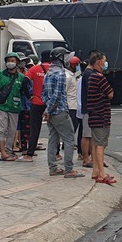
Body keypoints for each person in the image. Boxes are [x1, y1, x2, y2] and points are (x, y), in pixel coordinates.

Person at [42, 47, 84, 178]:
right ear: (61, 58)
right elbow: (57, 94)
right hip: (60, 111)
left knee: (53, 139)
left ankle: (53, 168)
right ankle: (69, 169)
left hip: (51, 112)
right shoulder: (60, 74)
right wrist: (49, 109)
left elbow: (43, 94)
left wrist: (47, 109)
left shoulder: (48, 73)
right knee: (69, 139)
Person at [86, 51, 116, 185]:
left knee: (95, 143)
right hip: (101, 116)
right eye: (104, 61)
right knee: (100, 145)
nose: (106, 63)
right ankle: (102, 174)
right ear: (98, 62)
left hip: (94, 115)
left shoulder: (91, 77)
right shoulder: (99, 78)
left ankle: (95, 171)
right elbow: (110, 94)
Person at [0, 52, 25, 161]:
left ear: (17, 62)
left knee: (12, 130)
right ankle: (3, 153)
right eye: (9, 60)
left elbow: (24, 92)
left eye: (13, 61)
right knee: (2, 129)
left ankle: (9, 150)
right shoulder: (0, 74)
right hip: (1, 106)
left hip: (14, 107)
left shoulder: (22, 77)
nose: (11, 63)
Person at [22, 50, 50, 161]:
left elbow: (24, 82)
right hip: (50, 103)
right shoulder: (55, 70)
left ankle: (30, 154)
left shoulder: (34, 69)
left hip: (36, 102)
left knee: (34, 129)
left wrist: (29, 96)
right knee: (54, 130)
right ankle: (56, 153)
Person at [77, 51, 99, 167]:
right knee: (86, 135)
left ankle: (92, 158)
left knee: (90, 135)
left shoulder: (88, 73)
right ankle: (86, 158)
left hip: (89, 108)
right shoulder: (88, 74)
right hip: (88, 109)